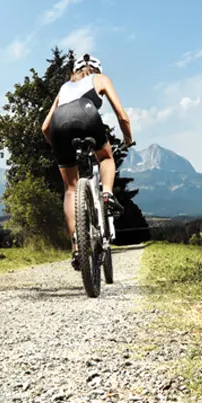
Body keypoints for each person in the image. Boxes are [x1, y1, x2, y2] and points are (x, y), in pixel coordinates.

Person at [41, 53, 134, 270]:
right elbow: (122, 116)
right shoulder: (100, 79)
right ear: (97, 69)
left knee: (70, 189)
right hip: (87, 114)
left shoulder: (64, 87)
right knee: (106, 158)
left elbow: (45, 127)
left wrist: (60, 146)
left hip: (59, 124)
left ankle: (76, 248)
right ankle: (107, 194)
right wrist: (128, 139)